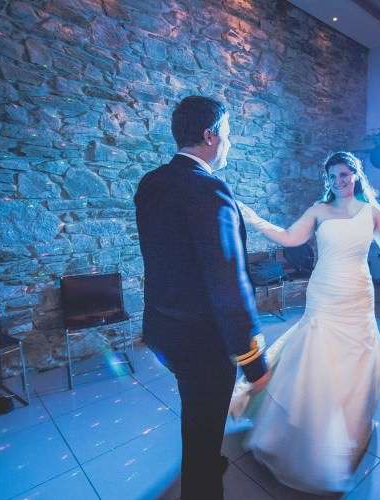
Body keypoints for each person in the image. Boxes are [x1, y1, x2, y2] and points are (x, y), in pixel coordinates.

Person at [234, 151, 380, 494]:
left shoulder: (372, 212)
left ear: (355, 175)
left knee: (356, 357)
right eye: (332, 177)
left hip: (358, 293)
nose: (338, 182)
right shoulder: (318, 209)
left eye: (344, 175)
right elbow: (290, 238)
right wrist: (255, 220)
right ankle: (308, 432)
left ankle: (349, 426)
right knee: (318, 356)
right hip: (325, 291)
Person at [134, 96, 271, 500]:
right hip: (202, 338)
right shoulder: (208, 189)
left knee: (196, 409)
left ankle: (208, 459)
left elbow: (162, 258)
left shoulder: (152, 182)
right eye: (227, 135)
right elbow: (227, 279)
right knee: (204, 418)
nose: (229, 144)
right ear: (210, 135)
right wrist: (253, 359)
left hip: (164, 328)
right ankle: (202, 486)